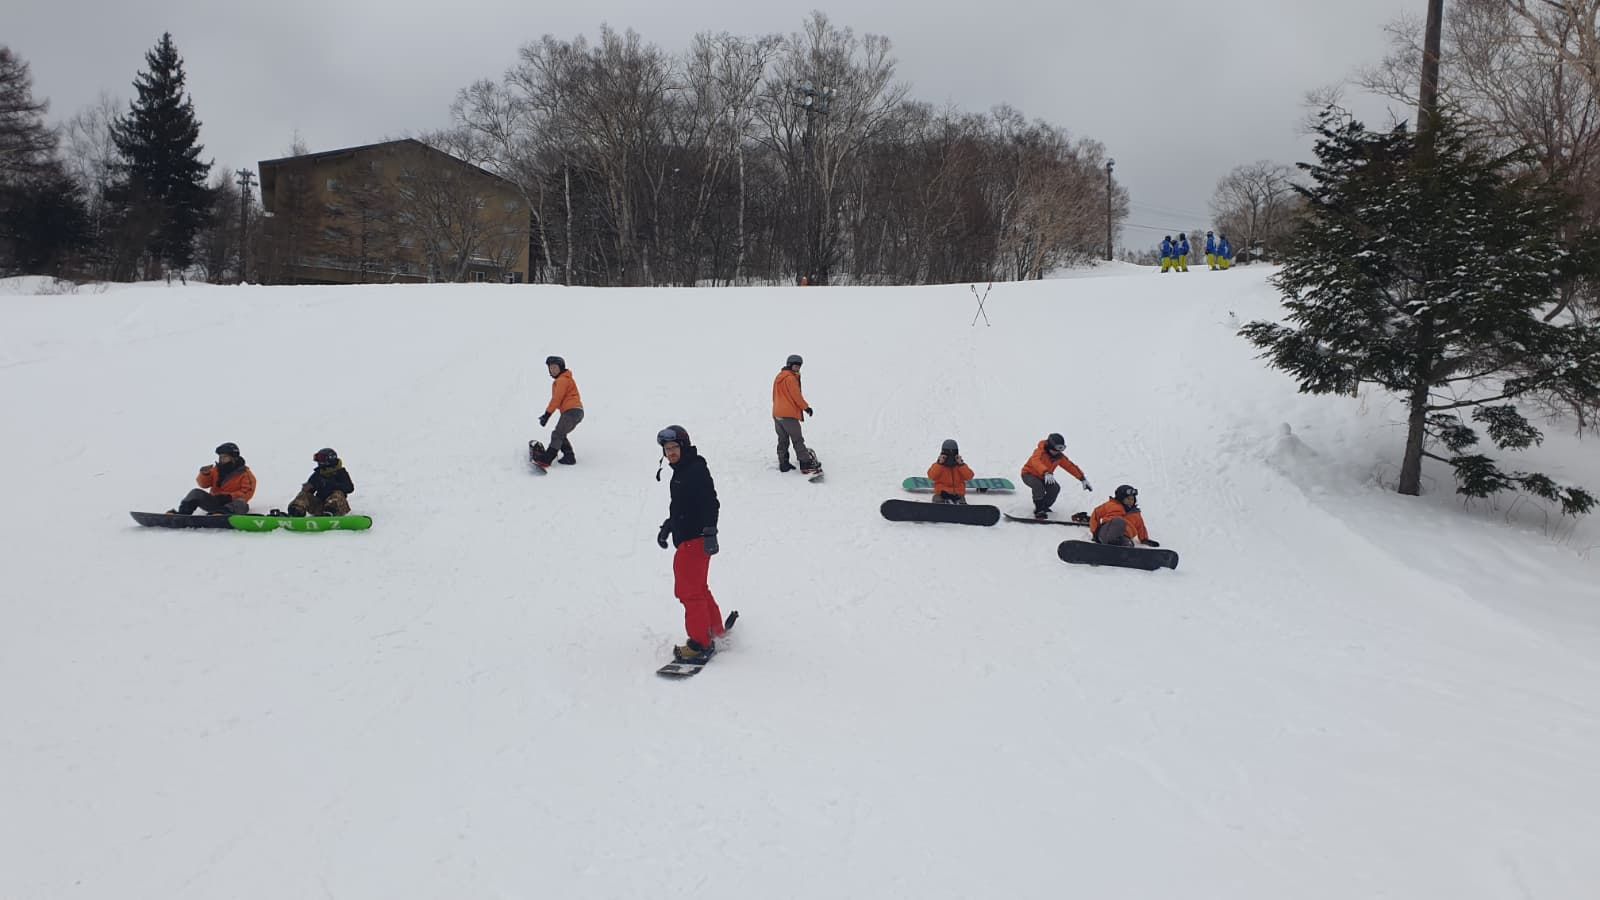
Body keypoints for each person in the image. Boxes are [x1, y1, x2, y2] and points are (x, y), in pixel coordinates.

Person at [654, 425, 725, 664]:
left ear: (683, 446)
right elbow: (683, 507)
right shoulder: (683, 470)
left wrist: (710, 531)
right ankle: (715, 629)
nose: (671, 453)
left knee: (688, 592)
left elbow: (710, 502)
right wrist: (668, 526)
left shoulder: (694, 469)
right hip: (690, 538)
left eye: (674, 447)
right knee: (699, 588)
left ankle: (700, 643)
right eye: (667, 449)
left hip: (695, 540)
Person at [169, 442, 256, 515]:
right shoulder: (216, 470)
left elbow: (247, 493)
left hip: (232, 505)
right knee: (195, 493)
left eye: (225, 457)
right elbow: (203, 485)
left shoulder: (245, 474)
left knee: (241, 503)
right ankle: (182, 514)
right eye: (220, 457)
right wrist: (205, 474)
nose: (221, 459)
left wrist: (228, 497)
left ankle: (220, 514)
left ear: (234, 458)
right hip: (214, 501)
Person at [1020, 432, 1092, 519]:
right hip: (1029, 474)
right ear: (1050, 447)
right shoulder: (1039, 452)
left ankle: (1044, 506)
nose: (1057, 452)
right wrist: (1046, 472)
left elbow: (1070, 466)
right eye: (1056, 449)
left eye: (1061, 449)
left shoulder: (1059, 457)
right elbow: (1036, 462)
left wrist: (1082, 478)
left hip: (1045, 476)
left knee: (1055, 488)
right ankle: (1039, 510)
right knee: (1038, 486)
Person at [531, 355, 584, 466]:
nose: (552, 370)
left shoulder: (562, 380)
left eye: (555, 367)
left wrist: (547, 415)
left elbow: (556, 399)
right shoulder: (565, 379)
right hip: (575, 411)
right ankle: (569, 456)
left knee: (557, 434)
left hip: (572, 411)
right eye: (550, 368)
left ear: (561, 367)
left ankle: (547, 459)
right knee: (561, 433)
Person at [772, 353, 820, 475]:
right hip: (788, 415)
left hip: (777, 413)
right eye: (795, 366)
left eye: (799, 366)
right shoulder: (790, 378)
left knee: (783, 439)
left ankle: (783, 463)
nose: (797, 368)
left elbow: (775, 395)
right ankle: (805, 464)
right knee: (797, 439)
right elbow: (796, 396)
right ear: (789, 365)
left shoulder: (779, 377)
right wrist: (806, 408)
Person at [284, 447, 354, 517]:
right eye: (318, 458)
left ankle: (330, 512)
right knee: (304, 494)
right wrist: (308, 488)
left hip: (339, 507)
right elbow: (309, 491)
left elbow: (349, 488)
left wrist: (330, 485)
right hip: (320, 507)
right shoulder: (317, 474)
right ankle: (295, 512)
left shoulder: (341, 473)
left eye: (321, 458)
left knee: (337, 493)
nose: (319, 462)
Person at [1088, 484, 1161, 547]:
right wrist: (1095, 532)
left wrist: (1144, 539)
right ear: (1121, 498)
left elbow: (1141, 527)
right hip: (1107, 532)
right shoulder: (1111, 505)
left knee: (1129, 543)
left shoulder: (1136, 514)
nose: (1130, 501)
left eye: (1132, 499)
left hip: (1123, 537)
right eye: (1128, 499)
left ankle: (1122, 550)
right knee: (1119, 522)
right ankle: (1110, 543)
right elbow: (1096, 514)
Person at [928, 439, 974, 504]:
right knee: (938, 500)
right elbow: (932, 476)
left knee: (961, 502)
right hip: (941, 494)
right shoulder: (938, 465)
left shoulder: (960, 465)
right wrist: (939, 464)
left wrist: (961, 465)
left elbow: (969, 476)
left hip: (958, 495)